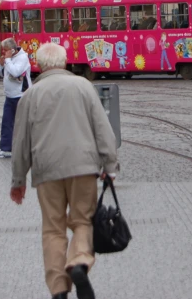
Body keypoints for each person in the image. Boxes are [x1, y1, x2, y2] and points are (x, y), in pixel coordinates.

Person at [10, 43, 118, 299]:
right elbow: (103, 130)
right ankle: (78, 262)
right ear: (65, 62)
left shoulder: (30, 95)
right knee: (82, 220)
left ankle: (59, 289)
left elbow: (20, 142)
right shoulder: (83, 87)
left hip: (47, 171)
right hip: (83, 167)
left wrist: (18, 181)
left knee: (53, 229)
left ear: (39, 65)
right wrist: (110, 167)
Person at [0, 38, 32, 159]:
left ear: (11, 50)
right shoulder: (8, 59)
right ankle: (6, 148)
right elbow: (2, 74)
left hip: (21, 95)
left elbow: (15, 72)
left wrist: (8, 60)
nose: (3, 53)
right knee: (7, 122)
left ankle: (27, 148)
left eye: (5, 50)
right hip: (10, 95)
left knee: (22, 123)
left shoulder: (22, 58)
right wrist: (1, 65)